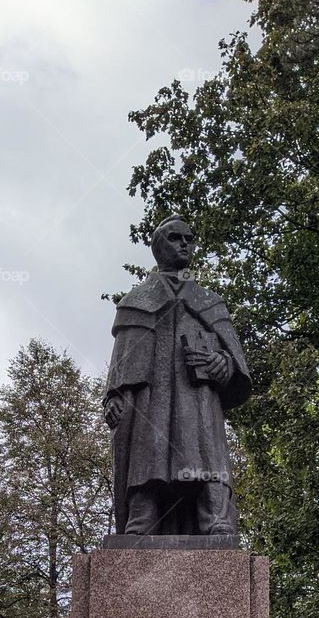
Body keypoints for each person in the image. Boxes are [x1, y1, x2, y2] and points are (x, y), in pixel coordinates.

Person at [104, 215, 252, 535]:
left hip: (197, 398)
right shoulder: (135, 302)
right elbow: (122, 359)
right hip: (150, 395)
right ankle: (142, 512)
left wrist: (223, 365)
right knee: (147, 445)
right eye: (175, 238)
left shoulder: (209, 301)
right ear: (158, 247)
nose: (185, 244)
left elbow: (234, 363)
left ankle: (214, 514)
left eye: (189, 238)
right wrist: (114, 395)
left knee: (206, 450)